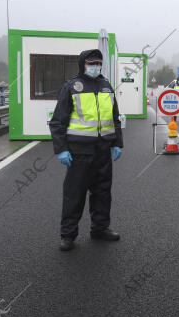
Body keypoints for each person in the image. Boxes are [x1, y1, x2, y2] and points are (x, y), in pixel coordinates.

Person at [49, 49, 124, 251]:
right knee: (74, 194)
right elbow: (57, 122)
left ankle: (100, 228)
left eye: (98, 63)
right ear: (82, 64)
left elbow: (115, 118)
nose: (95, 66)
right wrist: (62, 149)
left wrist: (117, 143)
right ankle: (68, 235)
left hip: (103, 150)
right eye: (91, 63)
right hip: (79, 152)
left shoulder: (106, 86)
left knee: (102, 192)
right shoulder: (72, 87)